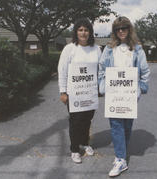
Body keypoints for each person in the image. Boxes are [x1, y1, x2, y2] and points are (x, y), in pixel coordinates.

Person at [98, 16, 150, 177]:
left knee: (127, 126)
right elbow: (101, 70)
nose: (121, 31)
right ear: (114, 31)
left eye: (124, 28)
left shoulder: (137, 49)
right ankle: (120, 158)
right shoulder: (108, 49)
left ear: (129, 29)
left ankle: (122, 156)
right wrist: (103, 87)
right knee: (116, 126)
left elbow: (145, 72)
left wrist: (140, 89)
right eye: (118, 29)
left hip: (130, 95)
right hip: (114, 94)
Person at [58, 18, 101, 164]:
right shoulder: (69, 49)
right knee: (76, 121)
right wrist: (63, 91)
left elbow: (100, 70)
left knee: (87, 120)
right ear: (76, 32)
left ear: (90, 32)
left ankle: (85, 143)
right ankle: (75, 149)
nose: (83, 33)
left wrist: (100, 88)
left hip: (90, 92)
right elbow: (62, 70)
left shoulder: (96, 49)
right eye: (80, 30)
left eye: (86, 30)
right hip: (74, 93)